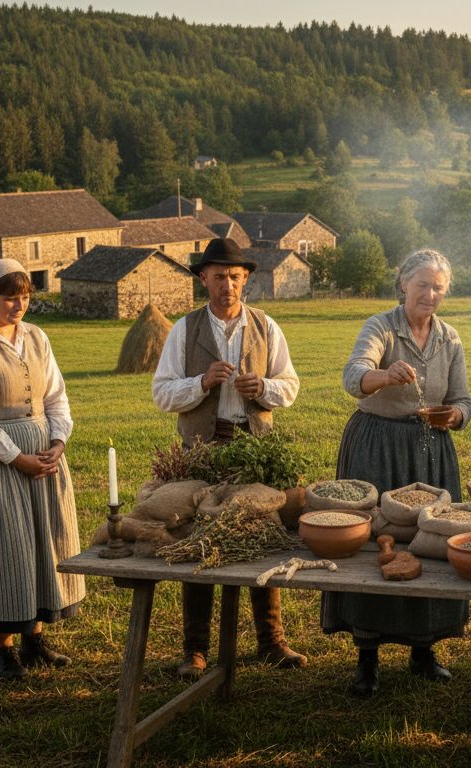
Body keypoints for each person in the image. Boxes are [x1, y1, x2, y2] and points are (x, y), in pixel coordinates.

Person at [321, 249, 471, 697]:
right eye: (422, 284)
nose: (430, 294)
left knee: (428, 543)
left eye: (438, 287)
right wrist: (384, 375)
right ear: (402, 284)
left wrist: (454, 418)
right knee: (375, 545)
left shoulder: (450, 339)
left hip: (430, 450)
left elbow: (464, 400)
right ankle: (366, 656)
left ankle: (424, 650)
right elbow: (353, 377)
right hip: (377, 447)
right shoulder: (380, 327)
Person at [152, 238, 304, 679]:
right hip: (201, 454)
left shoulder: (266, 326)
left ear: (246, 281)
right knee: (199, 541)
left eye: (236, 278)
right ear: (204, 279)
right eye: (219, 277)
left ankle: (271, 641)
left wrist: (265, 389)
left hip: (255, 451)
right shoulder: (185, 329)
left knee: (263, 538)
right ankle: (195, 650)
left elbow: (289, 386)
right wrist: (200, 383)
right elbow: (162, 393)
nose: (228, 286)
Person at [0, 258, 84, 679]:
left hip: (45, 455)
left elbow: (57, 396)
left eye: (24, 296)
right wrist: (16, 457)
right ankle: (3, 649)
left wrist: (58, 442)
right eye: (9, 297)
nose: (18, 305)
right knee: (6, 548)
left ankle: (35, 639)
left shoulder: (37, 338)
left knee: (44, 540)